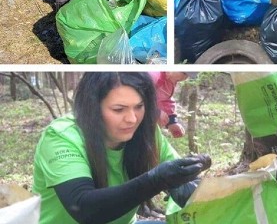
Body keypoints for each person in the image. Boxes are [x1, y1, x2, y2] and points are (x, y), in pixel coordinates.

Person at [33, 72, 211, 224]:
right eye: (119, 109)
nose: (132, 119)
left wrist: (193, 187)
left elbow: (175, 174)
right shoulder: (62, 136)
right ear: (92, 108)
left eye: (139, 107)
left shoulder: (145, 132)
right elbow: (82, 207)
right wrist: (156, 180)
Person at [148, 72, 195, 138]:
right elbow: (137, 95)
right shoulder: (154, 75)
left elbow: (165, 99)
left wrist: (172, 121)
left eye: (187, 76)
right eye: (184, 73)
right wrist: (155, 112)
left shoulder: (170, 80)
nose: (184, 78)